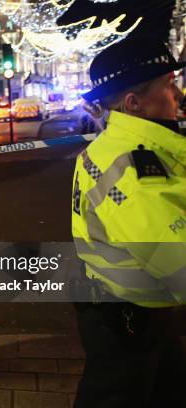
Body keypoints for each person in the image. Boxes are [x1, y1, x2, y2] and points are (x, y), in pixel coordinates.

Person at [71, 37, 186, 407]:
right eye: (169, 85)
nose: (178, 95)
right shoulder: (137, 173)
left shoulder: (109, 147)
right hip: (131, 319)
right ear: (134, 103)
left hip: (120, 307)